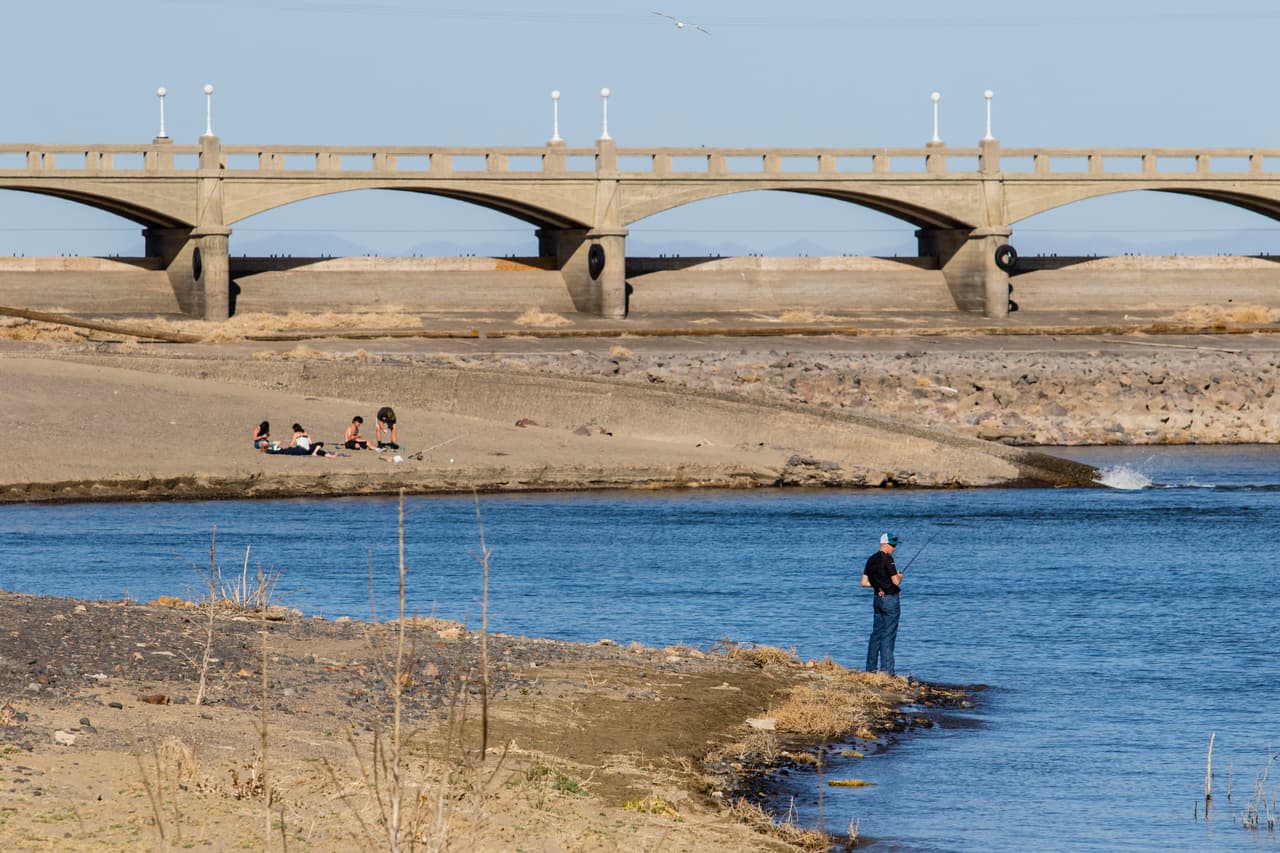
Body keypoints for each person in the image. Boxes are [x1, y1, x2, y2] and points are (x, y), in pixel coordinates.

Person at [861, 532, 903, 675]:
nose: (894, 548)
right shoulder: (888, 559)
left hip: (877, 600)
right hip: (890, 599)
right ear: (884, 544)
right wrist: (899, 576)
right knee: (888, 634)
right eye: (892, 545)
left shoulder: (871, 560)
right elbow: (895, 581)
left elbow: (864, 583)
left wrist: (878, 587)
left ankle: (870, 669)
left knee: (876, 634)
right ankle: (887, 672)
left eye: (895, 545)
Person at [268, 423, 336, 457]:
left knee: (285, 451)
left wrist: (287, 447)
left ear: (295, 429)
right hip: (307, 450)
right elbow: (310, 443)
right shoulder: (306, 433)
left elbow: (291, 445)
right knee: (319, 450)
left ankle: (271, 450)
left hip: (300, 450)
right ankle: (328, 455)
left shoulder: (296, 434)